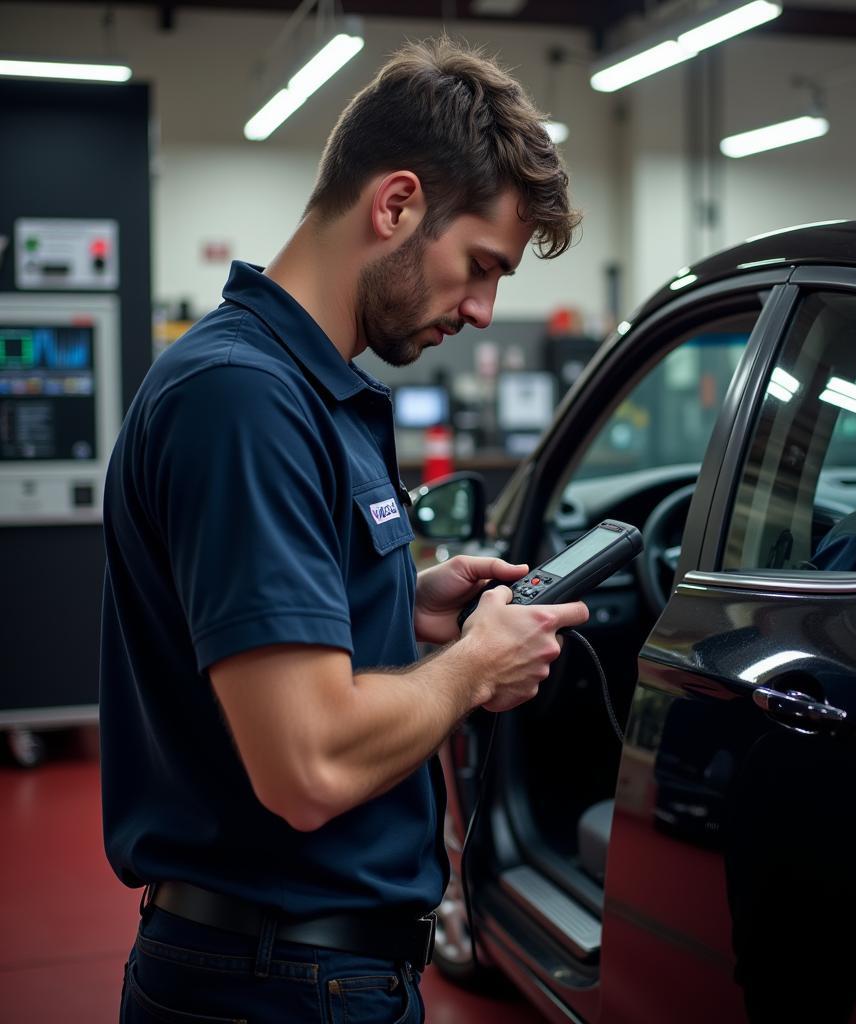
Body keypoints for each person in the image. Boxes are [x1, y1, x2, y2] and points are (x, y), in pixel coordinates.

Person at [101, 37, 588, 1023]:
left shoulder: (308, 394)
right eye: (480, 266)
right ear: (396, 204)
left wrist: (401, 612)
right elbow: (309, 765)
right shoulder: (244, 400)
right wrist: (474, 670)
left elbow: (249, 634)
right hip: (274, 983)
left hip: (309, 970)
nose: (488, 312)